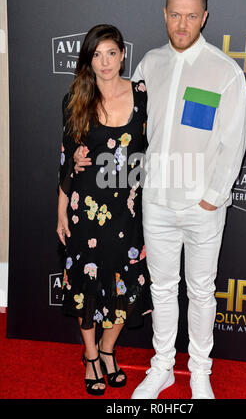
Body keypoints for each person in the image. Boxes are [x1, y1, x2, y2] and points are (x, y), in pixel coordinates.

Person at [75, 0, 246, 400]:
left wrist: (213, 196)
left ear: (204, 17)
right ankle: (164, 367)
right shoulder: (149, 64)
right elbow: (125, 123)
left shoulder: (224, 70)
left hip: (202, 204)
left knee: (202, 291)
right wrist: (84, 152)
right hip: (155, 201)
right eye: (175, 15)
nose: (182, 25)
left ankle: (201, 372)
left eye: (191, 16)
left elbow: (233, 139)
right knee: (162, 289)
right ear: (165, 14)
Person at [56, 24, 153, 396]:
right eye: (96, 55)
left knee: (127, 285)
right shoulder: (75, 98)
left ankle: (110, 349)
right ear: (88, 59)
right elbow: (67, 161)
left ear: (123, 55)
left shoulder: (143, 94)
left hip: (128, 209)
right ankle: (92, 356)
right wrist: (61, 211)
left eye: (111, 53)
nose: (105, 62)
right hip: (85, 211)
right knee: (88, 286)